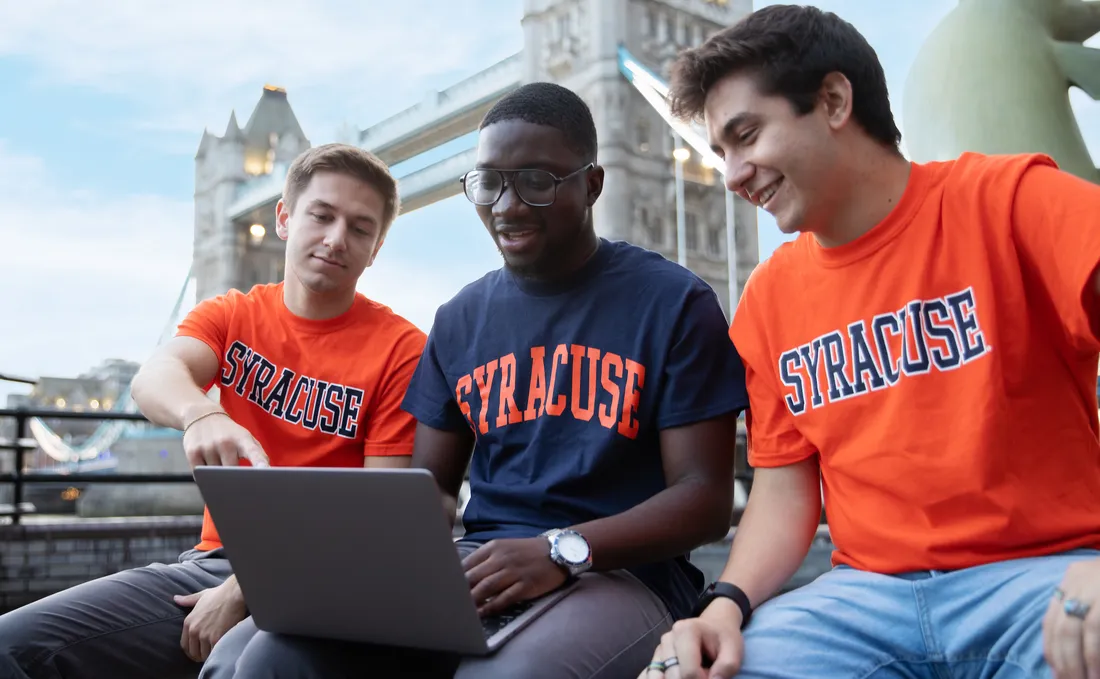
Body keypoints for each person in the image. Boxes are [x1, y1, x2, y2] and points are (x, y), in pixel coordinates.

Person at [213, 81, 749, 678]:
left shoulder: (674, 303)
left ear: (592, 184)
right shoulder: (460, 320)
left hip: (624, 575)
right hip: (480, 565)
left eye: (537, 181)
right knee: (268, 658)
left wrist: (560, 549)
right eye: (489, 182)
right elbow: (431, 493)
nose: (507, 205)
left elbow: (705, 499)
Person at [640, 5, 1100, 679]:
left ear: (832, 100)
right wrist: (725, 604)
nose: (733, 174)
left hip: (1043, 575)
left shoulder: (1008, 201)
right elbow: (785, 486)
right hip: (865, 601)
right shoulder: (769, 298)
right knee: (681, 675)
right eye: (721, 153)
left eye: (745, 136)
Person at [0, 143, 427, 679]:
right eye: (322, 215)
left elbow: (378, 515)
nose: (336, 238)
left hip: (331, 577)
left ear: (376, 248)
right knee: (13, 646)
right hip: (214, 563)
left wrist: (250, 587)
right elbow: (155, 377)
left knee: (240, 667)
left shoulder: (403, 351)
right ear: (284, 218)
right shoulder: (232, 314)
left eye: (360, 229)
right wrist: (202, 413)